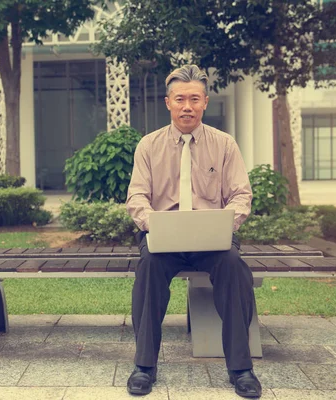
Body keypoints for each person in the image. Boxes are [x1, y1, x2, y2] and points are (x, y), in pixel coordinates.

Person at [125, 64, 262, 398]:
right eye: (180, 99)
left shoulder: (224, 144)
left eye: (194, 99)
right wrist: (151, 223)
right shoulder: (149, 145)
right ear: (168, 102)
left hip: (211, 237)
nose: (187, 106)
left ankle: (241, 368)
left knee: (233, 266)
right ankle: (144, 366)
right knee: (148, 269)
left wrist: (225, 224)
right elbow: (137, 196)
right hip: (164, 236)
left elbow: (241, 194)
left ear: (205, 103)